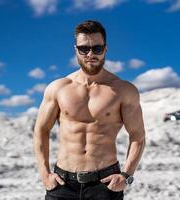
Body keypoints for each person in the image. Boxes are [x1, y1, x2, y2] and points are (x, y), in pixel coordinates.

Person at [33, 20, 145, 200]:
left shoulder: (124, 90)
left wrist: (126, 175)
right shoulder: (58, 88)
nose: (90, 54)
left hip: (105, 184)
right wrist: (44, 173)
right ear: (75, 49)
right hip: (62, 184)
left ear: (105, 49)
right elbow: (41, 130)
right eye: (84, 48)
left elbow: (138, 135)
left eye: (97, 48)